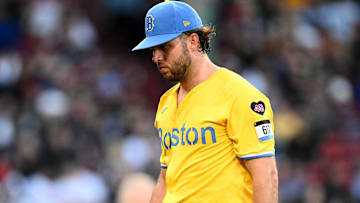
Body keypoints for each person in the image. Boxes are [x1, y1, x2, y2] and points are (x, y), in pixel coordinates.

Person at [132, 1, 278, 202]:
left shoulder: (239, 95)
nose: (156, 57)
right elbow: (166, 179)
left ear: (193, 41)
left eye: (165, 47)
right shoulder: (166, 102)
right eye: (153, 49)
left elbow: (266, 174)